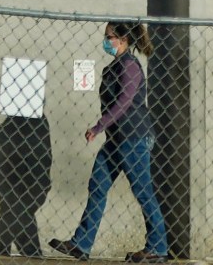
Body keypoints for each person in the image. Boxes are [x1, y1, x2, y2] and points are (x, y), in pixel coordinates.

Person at [49, 21, 169, 261]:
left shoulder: (130, 66)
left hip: (134, 137)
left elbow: (124, 101)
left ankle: (158, 247)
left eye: (109, 37)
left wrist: (98, 126)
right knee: (98, 185)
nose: (106, 41)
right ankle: (81, 244)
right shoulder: (112, 67)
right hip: (116, 139)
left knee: (143, 191)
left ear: (122, 39)